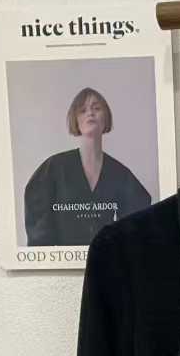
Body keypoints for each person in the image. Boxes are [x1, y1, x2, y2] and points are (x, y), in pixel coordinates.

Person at [23, 87, 151, 245]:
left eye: (96, 108)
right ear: (75, 120)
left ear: (106, 118)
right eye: (83, 110)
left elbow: (137, 216)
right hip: (64, 259)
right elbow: (38, 225)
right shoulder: (53, 168)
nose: (90, 113)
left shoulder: (120, 173)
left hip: (103, 257)